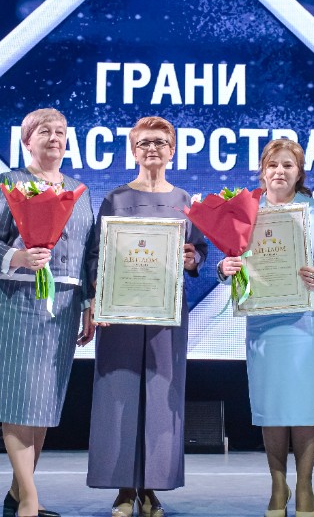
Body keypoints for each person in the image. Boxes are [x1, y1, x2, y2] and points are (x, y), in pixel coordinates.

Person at [218, 139, 314, 517]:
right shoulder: (245, 211)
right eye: (273, 165)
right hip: (264, 321)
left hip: (308, 320)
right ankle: (278, 485)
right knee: (272, 407)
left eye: (288, 165)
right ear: (262, 172)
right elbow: (228, 260)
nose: (280, 171)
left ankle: (305, 485)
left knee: (306, 408)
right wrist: (224, 268)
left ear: (299, 173)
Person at [84, 116, 208, 517]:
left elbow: (198, 251)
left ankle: (153, 488)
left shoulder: (185, 200)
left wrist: (193, 258)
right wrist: (97, 297)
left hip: (166, 312)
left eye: (160, 142)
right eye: (144, 143)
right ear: (133, 151)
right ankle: (123, 489)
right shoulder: (115, 199)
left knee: (161, 396)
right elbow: (96, 254)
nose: (152, 149)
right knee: (117, 393)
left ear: (173, 150)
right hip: (120, 311)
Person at [0, 108, 96, 517]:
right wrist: (19, 257)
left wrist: (88, 304)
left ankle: (17, 496)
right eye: (45, 131)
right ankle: (29, 498)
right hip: (18, 300)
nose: (55, 137)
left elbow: (87, 253)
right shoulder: (10, 182)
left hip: (64, 305)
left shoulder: (80, 190)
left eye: (61, 131)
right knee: (17, 399)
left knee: (42, 403)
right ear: (27, 140)